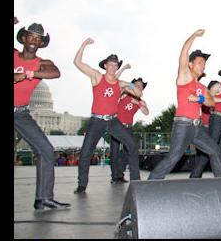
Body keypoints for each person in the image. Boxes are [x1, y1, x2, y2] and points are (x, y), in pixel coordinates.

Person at [148, 30, 221, 180]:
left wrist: (199, 99)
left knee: (215, 151)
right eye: (200, 62)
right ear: (190, 64)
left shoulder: (201, 87)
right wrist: (194, 35)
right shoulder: (184, 77)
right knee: (173, 158)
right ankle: (149, 184)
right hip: (183, 126)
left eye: (204, 64)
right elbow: (184, 51)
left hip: (196, 128)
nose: (203, 66)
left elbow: (211, 102)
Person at [72, 38, 143, 193]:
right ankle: (82, 184)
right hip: (97, 120)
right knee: (86, 152)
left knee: (132, 145)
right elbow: (77, 63)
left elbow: (139, 93)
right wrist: (83, 45)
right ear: (105, 65)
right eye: (110, 64)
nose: (113, 67)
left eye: (116, 65)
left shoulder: (120, 83)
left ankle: (136, 181)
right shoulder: (97, 77)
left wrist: (131, 85)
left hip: (113, 121)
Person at [14, 20, 70, 210]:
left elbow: (56, 73)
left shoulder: (42, 63)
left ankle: (44, 197)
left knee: (46, 149)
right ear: (23, 38)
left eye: (38, 39)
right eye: (30, 36)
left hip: (21, 113)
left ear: (41, 43)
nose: (33, 41)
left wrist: (31, 73)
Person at [110, 77, 150, 183]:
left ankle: (120, 174)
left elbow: (146, 112)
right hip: (117, 125)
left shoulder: (140, 101)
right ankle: (114, 176)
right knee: (114, 152)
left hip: (128, 127)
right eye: (136, 85)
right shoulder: (125, 93)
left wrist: (138, 103)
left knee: (128, 151)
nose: (139, 87)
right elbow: (120, 88)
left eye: (141, 86)